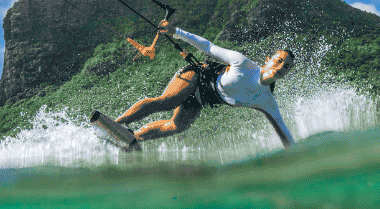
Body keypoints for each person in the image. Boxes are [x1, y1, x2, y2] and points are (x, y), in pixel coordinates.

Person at [115, 20, 296, 147]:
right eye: (278, 60)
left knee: (178, 126)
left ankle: (133, 137)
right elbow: (209, 47)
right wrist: (175, 32)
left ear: (287, 73)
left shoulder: (266, 100)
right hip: (197, 76)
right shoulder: (243, 63)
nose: (280, 67)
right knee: (169, 100)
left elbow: (284, 132)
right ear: (267, 60)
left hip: (202, 99)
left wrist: (295, 158)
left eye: (286, 67)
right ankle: (118, 124)